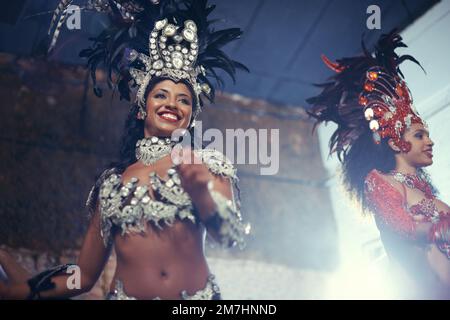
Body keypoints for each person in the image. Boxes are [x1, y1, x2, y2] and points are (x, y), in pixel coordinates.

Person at [0, 0, 249, 300]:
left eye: (183, 100)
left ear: (192, 116)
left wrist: (205, 198)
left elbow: (231, 237)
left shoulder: (206, 165)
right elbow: (84, 276)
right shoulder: (111, 184)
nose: (172, 104)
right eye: (161, 95)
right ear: (142, 108)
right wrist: (26, 291)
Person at [307, 31, 450, 299]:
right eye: (419, 135)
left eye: (427, 134)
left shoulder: (426, 193)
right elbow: (405, 228)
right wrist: (440, 229)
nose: (430, 142)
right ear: (396, 142)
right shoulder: (379, 181)